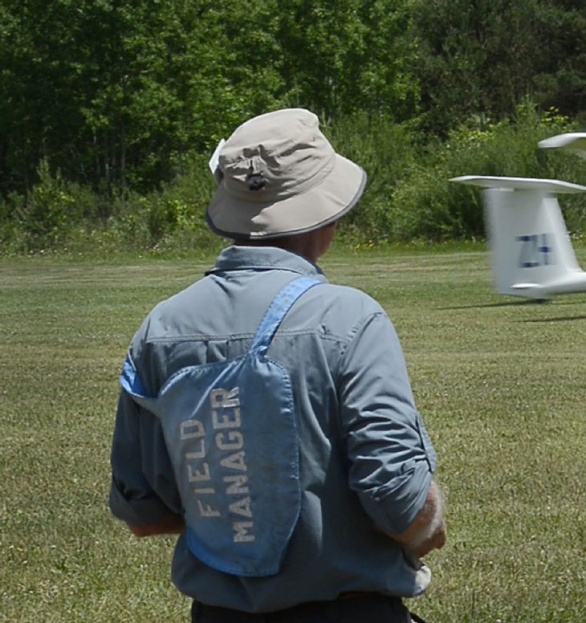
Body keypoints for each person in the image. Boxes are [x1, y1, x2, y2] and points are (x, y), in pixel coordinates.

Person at [109, 108, 445, 622]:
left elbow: (143, 513)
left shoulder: (161, 328)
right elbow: (396, 495)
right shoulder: (350, 318)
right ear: (327, 216)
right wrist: (430, 527)